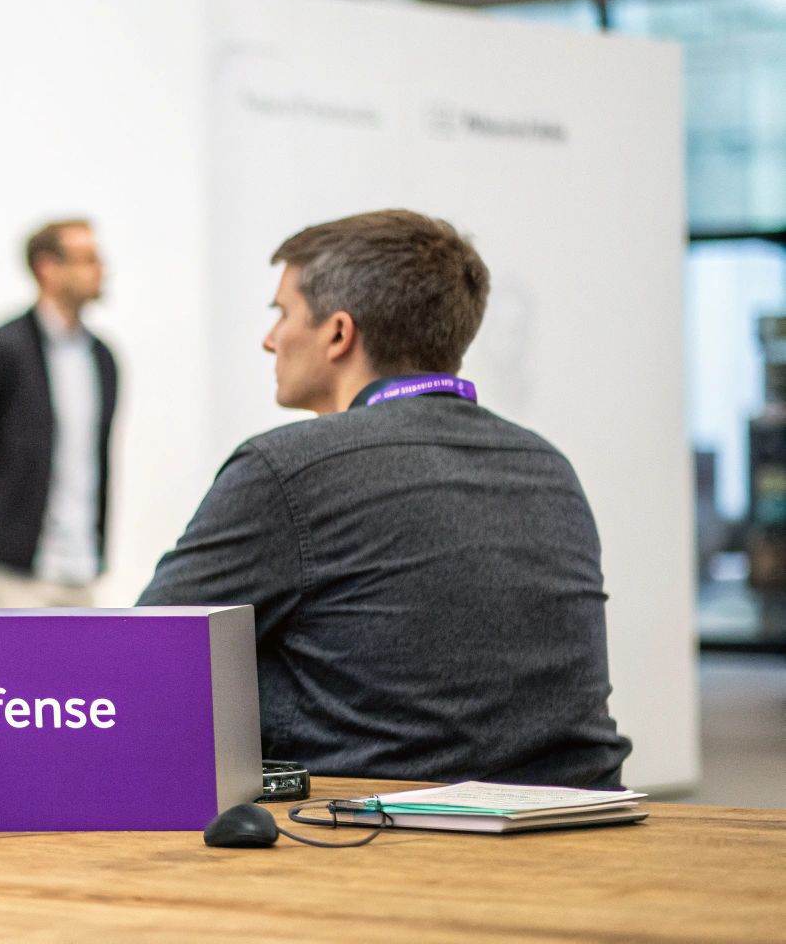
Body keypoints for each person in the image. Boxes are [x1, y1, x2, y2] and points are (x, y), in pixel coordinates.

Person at [136, 209, 631, 788]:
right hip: (580, 823)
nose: (269, 339)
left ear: (339, 333)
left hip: (374, 836)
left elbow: (148, 655)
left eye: (282, 313)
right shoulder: (547, 465)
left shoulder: (288, 470)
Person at [0, 219, 118, 608]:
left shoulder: (102, 359)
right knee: (3, 671)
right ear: (47, 267)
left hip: (80, 568)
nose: (100, 271)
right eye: (87, 259)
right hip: (10, 574)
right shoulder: (0, 353)